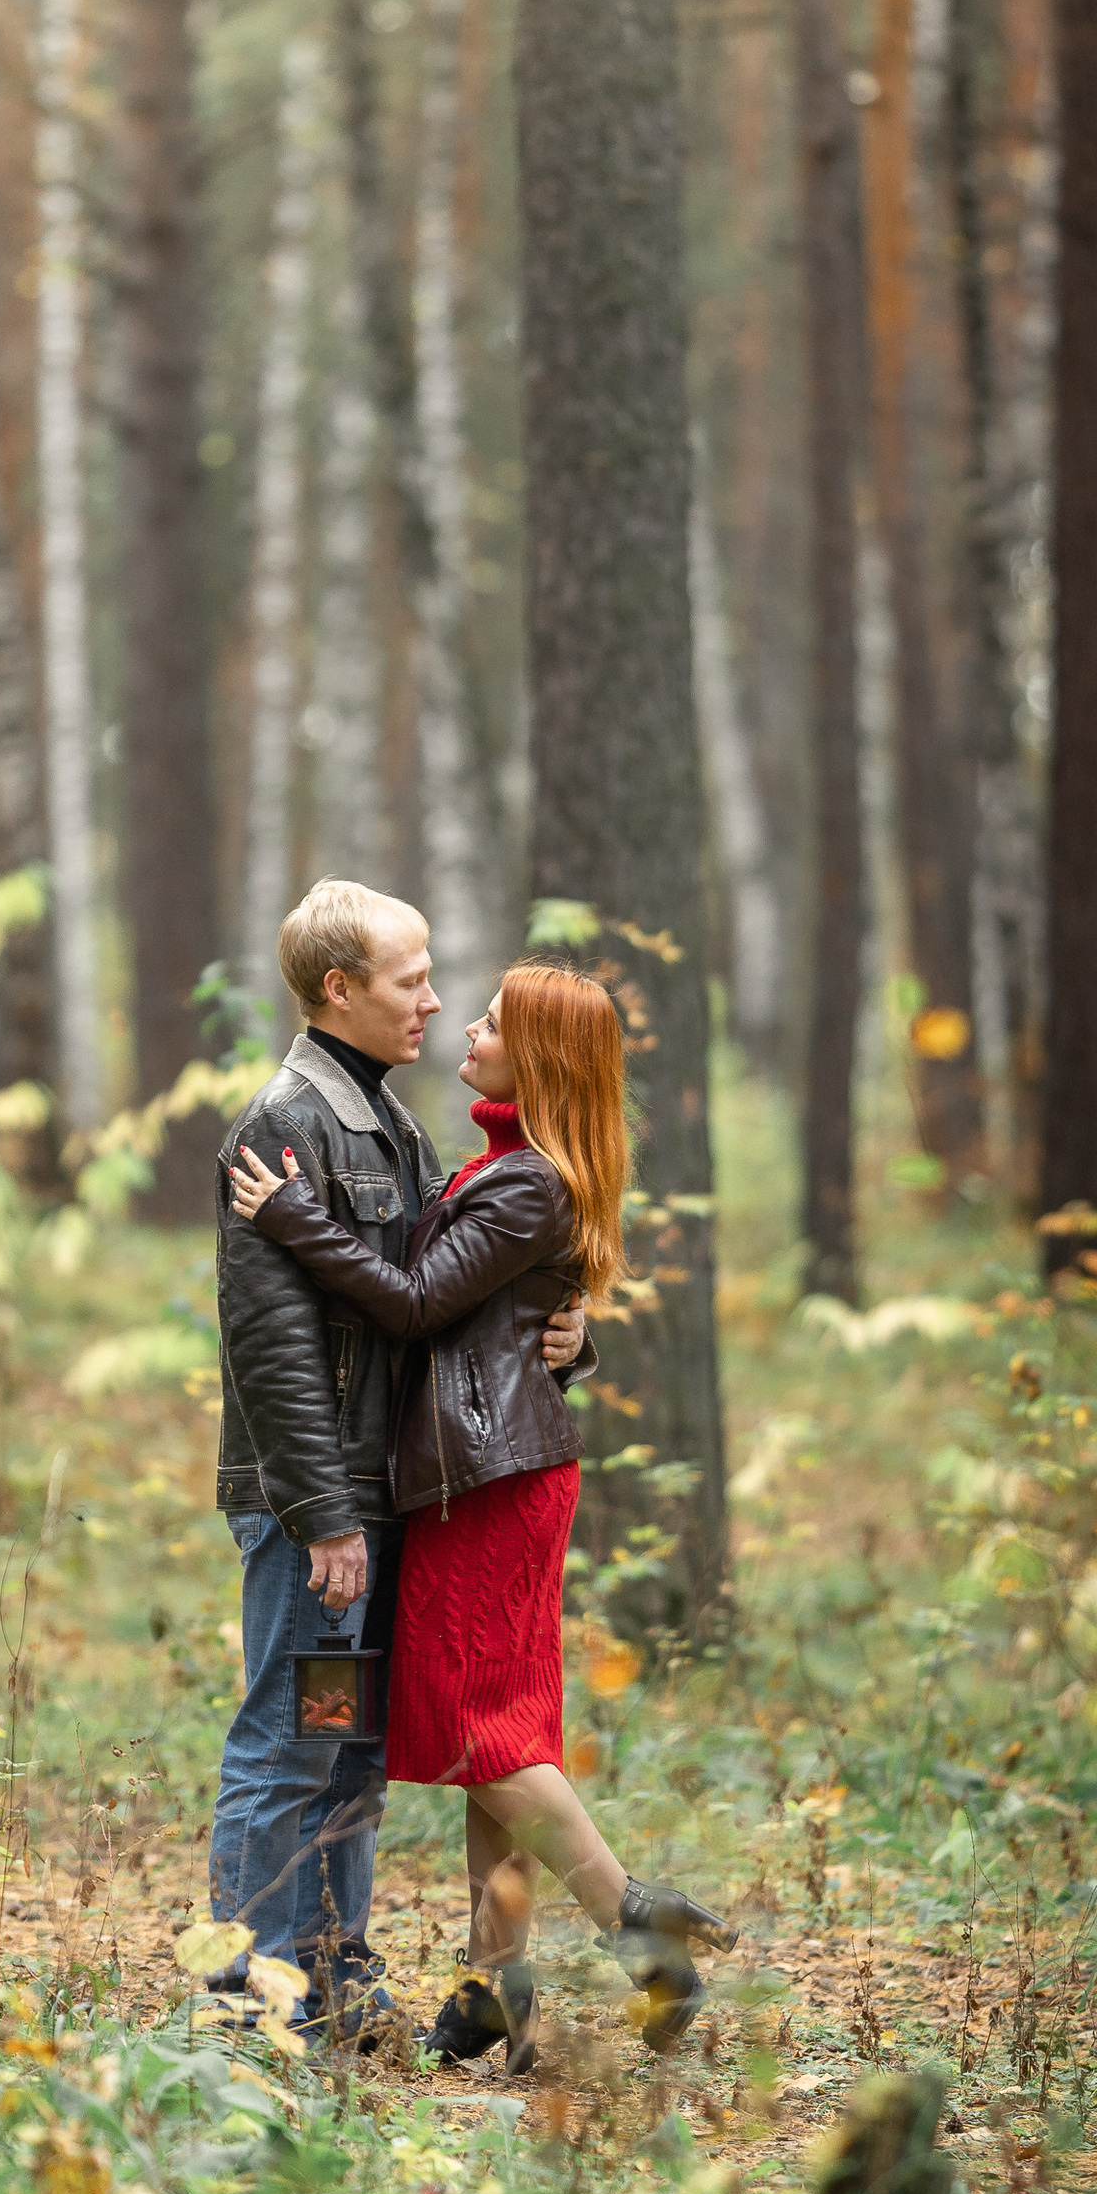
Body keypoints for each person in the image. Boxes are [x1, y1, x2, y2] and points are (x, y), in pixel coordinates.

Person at [229, 957, 731, 2073]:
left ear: (538, 1057)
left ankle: (635, 1921)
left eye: (493, 1023)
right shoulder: (503, 1164)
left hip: (488, 1481)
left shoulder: (526, 1180)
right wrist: (563, 1330)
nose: (465, 1027)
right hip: (486, 1467)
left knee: (477, 1727)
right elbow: (489, 1311)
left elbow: (416, 1303)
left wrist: (293, 1215)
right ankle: (492, 1982)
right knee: (498, 1722)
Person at [210, 880, 587, 2040]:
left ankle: (334, 1972)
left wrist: (567, 1334)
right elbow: (273, 1348)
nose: (432, 999)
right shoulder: (286, 1125)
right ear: (340, 988)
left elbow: (451, 1297)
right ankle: (255, 1998)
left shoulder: (389, 1121)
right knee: (291, 1742)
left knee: (348, 1748)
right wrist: (322, 1512)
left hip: (382, 1499)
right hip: (320, 1509)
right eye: (410, 978)